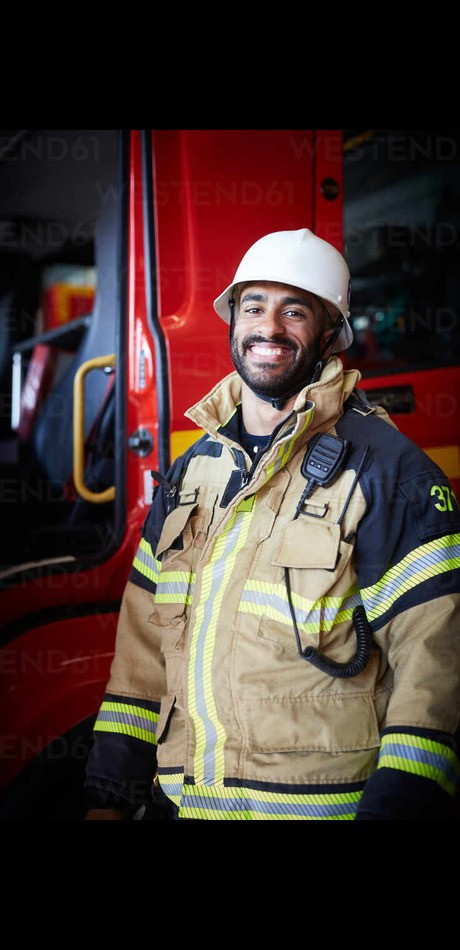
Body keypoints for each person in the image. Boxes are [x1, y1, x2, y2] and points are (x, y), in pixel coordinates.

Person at [84, 228, 460, 821]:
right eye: (253, 306)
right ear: (232, 321)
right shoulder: (193, 470)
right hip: (181, 805)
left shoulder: (389, 470)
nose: (269, 328)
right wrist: (110, 795)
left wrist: (401, 806)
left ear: (331, 334)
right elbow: (142, 646)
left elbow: (434, 661)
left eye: (295, 311)